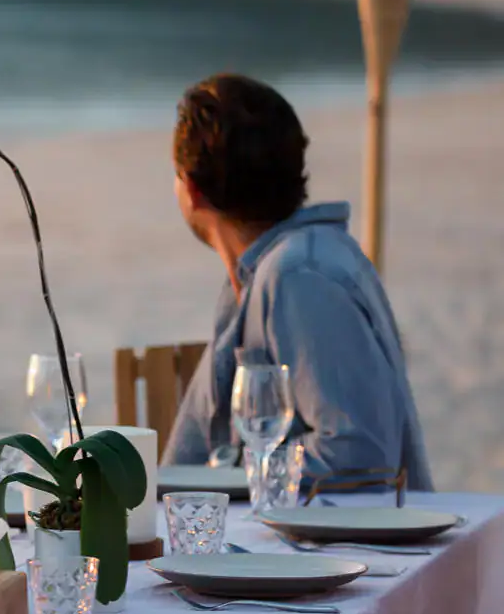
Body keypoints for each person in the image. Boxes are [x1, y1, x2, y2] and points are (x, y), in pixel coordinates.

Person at [162, 73, 432, 490]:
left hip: (341, 551)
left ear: (192, 189)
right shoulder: (263, 274)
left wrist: (243, 477)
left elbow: (361, 453)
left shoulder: (299, 275)